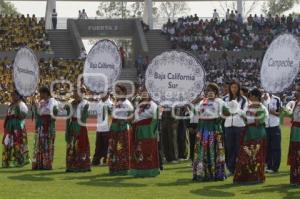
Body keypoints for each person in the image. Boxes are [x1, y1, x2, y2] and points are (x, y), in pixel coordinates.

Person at [193, 83, 226, 181]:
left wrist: (221, 116)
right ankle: (202, 173)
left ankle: (216, 173)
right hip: (202, 129)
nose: (209, 92)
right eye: (207, 90)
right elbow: (195, 113)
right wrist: (194, 103)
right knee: (202, 151)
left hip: (214, 129)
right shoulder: (202, 102)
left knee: (214, 150)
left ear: (216, 92)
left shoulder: (219, 101)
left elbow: (227, 112)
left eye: (211, 90)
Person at [234, 88, 268, 184]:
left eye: (252, 95)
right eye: (250, 96)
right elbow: (247, 121)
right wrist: (243, 116)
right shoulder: (248, 107)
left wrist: (255, 114)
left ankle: (257, 177)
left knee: (257, 155)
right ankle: (246, 177)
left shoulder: (262, 108)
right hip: (248, 132)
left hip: (258, 133)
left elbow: (258, 123)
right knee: (245, 155)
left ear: (257, 96)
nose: (250, 97)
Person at [129, 87, 160, 177]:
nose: (143, 94)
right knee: (139, 149)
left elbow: (155, 119)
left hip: (148, 130)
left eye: (145, 92)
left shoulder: (153, 105)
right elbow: (135, 117)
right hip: (139, 129)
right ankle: (139, 170)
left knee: (148, 150)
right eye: (142, 92)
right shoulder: (139, 105)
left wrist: (152, 130)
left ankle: (150, 171)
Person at [107, 85, 134, 175]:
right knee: (113, 148)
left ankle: (124, 168)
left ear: (124, 93)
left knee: (122, 148)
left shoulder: (127, 104)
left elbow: (131, 118)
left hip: (123, 129)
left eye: (119, 92)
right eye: (116, 92)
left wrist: (122, 121)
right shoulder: (116, 103)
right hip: (114, 129)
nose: (117, 93)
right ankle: (114, 167)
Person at [223, 80, 248, 175]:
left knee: (240, 148)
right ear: (230, 88)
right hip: (228, 125)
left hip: (239, 125)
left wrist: (237, 110)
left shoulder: (244, 99)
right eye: (232, 87)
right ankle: (230, 169)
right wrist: (226, 113)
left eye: (235, 87)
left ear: (238, 88)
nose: (233, 89)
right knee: (229, 148)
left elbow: (245, 112)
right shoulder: (224, 98)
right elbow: (222, 112)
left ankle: (240, 168)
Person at [65, 87, 91, 172]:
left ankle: (83, 165)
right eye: (74, 93)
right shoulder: (71, 103)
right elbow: (68, 118)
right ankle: (71, 165)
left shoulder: (86, 103)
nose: (75, 95)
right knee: (72, 145)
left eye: (77, 93)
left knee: (81, 145)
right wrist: (67, 129)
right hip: (72, 125)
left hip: (81, 126)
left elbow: (84, 118)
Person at [32, 86, 58, 170]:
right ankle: (40, 164)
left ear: (46, 93)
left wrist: (40, 106)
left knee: (47, 144)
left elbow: (49, 110)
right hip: (41, 126)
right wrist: (36, 105)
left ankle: (47, 164)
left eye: (41, 93)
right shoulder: (42, 101)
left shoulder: (52, 101)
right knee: (40, 145)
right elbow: (39, 112)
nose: (40, 95)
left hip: (48, 125)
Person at [2, 90, 29, 168]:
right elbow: (8, 116)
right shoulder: (11, 105)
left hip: (18, 127)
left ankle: (20, 161)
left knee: (18, 144)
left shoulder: (22, 105)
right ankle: (7, 162)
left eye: (14, 95)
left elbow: (22, 117)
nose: (12, 97)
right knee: (8, 143)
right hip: (9, 127)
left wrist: (18, 113)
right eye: (12, 95)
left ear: (18, 96)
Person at [262, 92, 282, 174]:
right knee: (267, 147)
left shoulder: (276, 99)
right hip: (265, 126)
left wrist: (273, 112)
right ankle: (268, 166)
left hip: (275, 126)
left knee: (276, 147)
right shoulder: (261, 98)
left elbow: (280, 113)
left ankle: (275, 167)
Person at [92, 92, 113, 166]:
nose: (101, 95)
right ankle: (96, 160)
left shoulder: (111, 104)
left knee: (106, 145)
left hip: (107, 128)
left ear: (108, 95)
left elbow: (111, 116)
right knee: (98, 145)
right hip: (99, 128)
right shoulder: (99, 103)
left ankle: (106, 160)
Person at [287, 82, 300, 185]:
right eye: (297, 90)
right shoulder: (294, 103)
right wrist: (287, 114)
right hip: (295, 133)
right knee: (295, 156)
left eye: (299, 90)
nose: (297, 92)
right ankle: (295, 179)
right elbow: (287, 121)